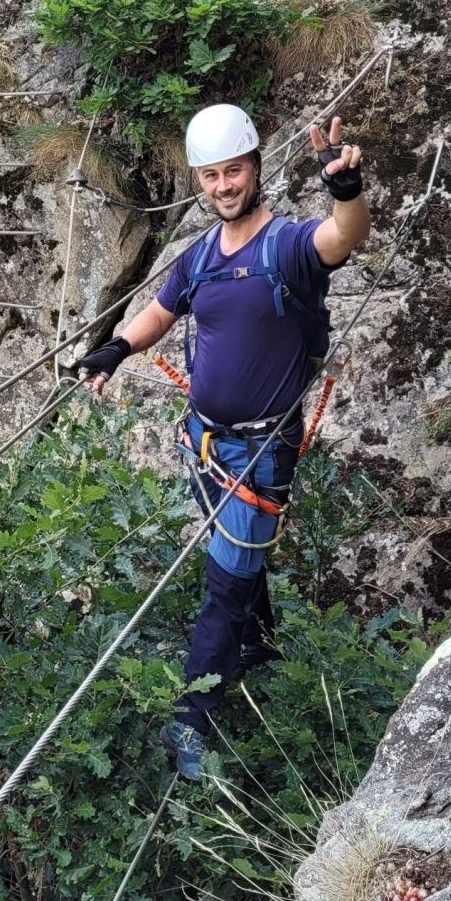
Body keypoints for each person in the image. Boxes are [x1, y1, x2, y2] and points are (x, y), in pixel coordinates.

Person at [76, 104, 370, 781]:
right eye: (210, 176)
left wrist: (346, 190)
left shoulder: (287, 246)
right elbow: (160, 312)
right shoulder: (200, 256)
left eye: (232, 171)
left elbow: (342, 237)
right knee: (236, 560)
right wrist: (115, 348)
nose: (223, 186)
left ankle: (191, 719)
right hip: (204, 442)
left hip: (262, 452)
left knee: (224, 582)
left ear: (256, 168)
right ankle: (260, 643)